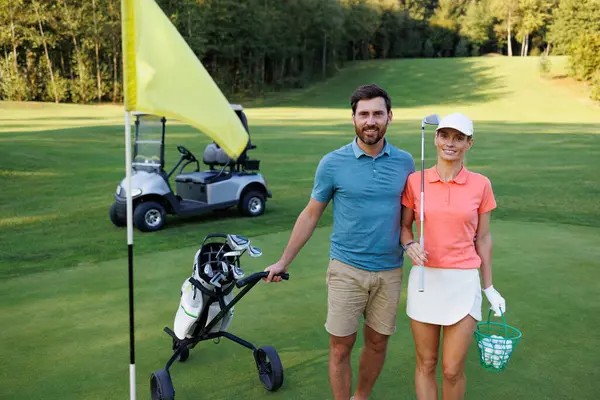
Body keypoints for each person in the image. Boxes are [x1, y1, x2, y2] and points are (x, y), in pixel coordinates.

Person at [264, 84, 415, 400]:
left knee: (377, 342)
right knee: (340, 345)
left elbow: (408, 219)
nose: (370, 121)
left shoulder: (405, 163)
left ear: (390, 116)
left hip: (390, 271)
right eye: (363, 114)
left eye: (377, 113)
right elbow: (310, 214)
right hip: (346, 269)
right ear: (353, 118)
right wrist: (283, 261)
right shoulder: (332, 163)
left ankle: (360, 397)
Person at [400, 112, 506, 400]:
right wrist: (409, 245)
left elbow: (483, 238)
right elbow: (404, 228)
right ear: (435, 138)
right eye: (445, 135)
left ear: (469, 143)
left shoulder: (481, 184)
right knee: (426, 363)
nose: (451, 143)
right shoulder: (415, 182)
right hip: (425, 280)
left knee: (451, 369)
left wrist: (489, 287)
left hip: (463, 282)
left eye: (459, 138)